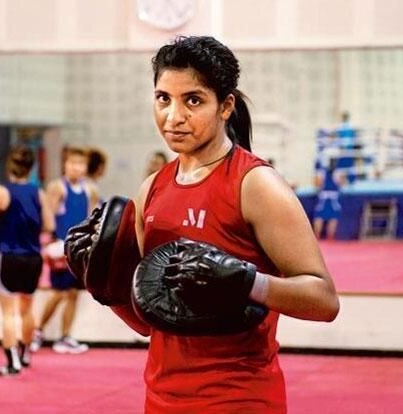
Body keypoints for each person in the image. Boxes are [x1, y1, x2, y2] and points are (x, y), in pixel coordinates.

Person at [111, 36, 339, 412]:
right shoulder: (152, 188)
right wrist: (106, 286)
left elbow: (324, 301)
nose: (173, 117)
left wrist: (248, 282)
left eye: (193, 100)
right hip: (162, 398)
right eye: (163, 98)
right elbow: (152, 322)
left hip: (238, 398)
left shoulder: (255, 185)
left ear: (226, 106)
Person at [0, 146, 54, 376]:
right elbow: (49, 226)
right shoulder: (38, 193)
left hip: (9, 254)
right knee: (26, 309)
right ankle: (24, 355)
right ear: (31, 168)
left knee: (7, 312)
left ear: (8, 166)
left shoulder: (0, 193)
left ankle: (12, 361)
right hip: (33, 257)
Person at [31, 146, 97, 354]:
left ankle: (65, 336)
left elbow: (93, 218)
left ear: (85, 167)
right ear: (65, 165)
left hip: (80, 248)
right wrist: (48, 243)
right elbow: (47, 216)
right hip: (60, 246)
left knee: (74, 293)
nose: (76, 168)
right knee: (59, 293)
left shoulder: (91, 189)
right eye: (72, 164)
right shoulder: (57, 188)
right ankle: (37, 331)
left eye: (80, 164)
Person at [313, 157, 347, 240]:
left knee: (332, 219)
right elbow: (317, 184)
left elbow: (316, 184)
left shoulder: (337, 172)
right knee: (321, 218)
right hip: (325, 200)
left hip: (331, 200)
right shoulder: (322, 172)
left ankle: (329, 237)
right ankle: (317, 237)